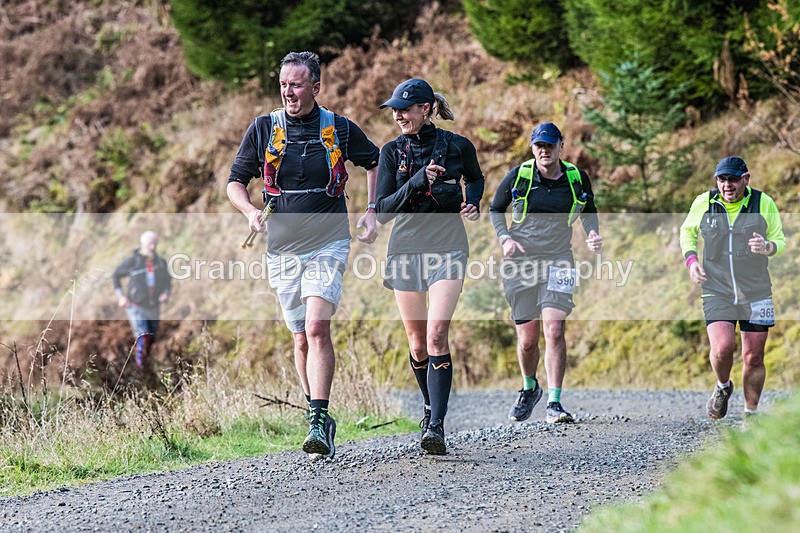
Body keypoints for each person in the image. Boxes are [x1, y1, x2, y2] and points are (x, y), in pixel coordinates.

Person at [227, 51, 380, 459]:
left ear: (315, 86)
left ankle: (317, 416)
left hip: (329, 241)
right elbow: (235, 182)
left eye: (296, 84)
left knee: (316, 328)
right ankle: (319, 416)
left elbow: (374, 161)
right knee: (299, 337)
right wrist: (250, 211)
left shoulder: (340, 128)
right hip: (281, 246)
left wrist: (371, 210)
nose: (288, 92)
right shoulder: (263, 129)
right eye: (283, 85)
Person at [375, 78, 484, 455]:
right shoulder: (391, 152)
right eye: (394, 110)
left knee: (437, 334)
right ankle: (427, 405)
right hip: (404, 249)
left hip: (448, 247)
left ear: (426, 108)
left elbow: (476, 176)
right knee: (418, 344)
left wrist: (473, 202)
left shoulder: (457, 145)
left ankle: (435, 425)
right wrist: (418, 181)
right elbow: (385, 211)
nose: (398, 115)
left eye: (404, 109)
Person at [489, 122, 602, 424]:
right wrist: (505, 239)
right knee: (528, 340)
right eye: (539, 145)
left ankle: (555, 401)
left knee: (554, 329)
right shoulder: (520, 176)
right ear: (533, 148)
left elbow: (589, 211)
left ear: (560, 146)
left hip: (559, 259)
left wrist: (592, 234)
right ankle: (529, 388)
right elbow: (495, 208)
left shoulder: (576, 179)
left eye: (550, 145)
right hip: (521, 261)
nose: (544, 150)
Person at [680, 156, 785, 421]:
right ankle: (723, 386)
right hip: (717, 289)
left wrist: (768, 247)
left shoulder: (763, 203)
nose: (727, 185)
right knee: (722, 349)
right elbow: (687, 232)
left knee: (753, 356)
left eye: (733, 179)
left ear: (745, 179)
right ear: (717, 180)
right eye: (722, 179)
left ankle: (751, 415)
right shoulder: (705, 202)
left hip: (757, 291)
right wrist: (691, 261)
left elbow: (780, 241)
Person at [113, 230, 172, 371]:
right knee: (143, 335)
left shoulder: (160, 263)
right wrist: (121, 296)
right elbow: (115, 276)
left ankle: (148, 365)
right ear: (142, 244)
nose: (152, 247)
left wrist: (165, 293)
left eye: (154, 244)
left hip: (153, 307)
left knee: (151, 337)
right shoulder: (133, 262)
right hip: (135, 306)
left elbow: (168, 281)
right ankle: (140, 371)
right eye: (149, 244)